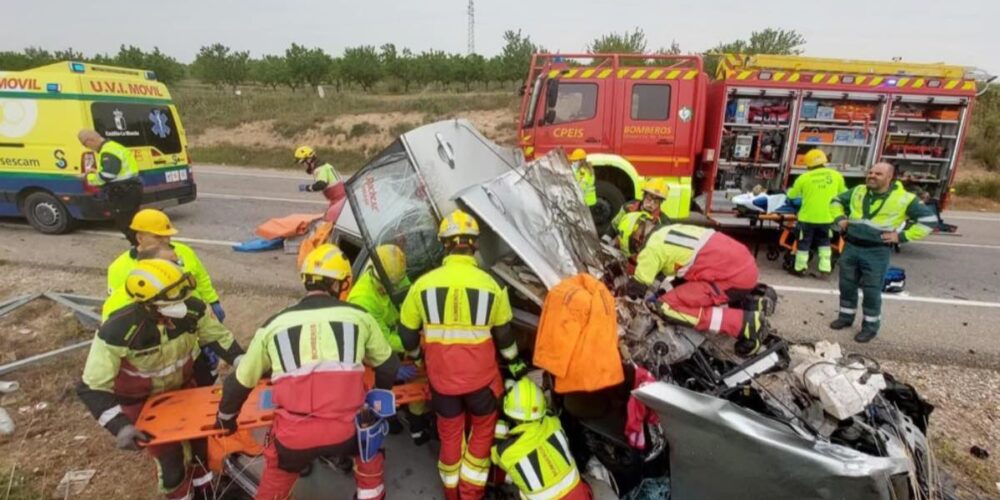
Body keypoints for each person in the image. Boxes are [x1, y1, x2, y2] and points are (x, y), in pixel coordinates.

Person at [216, 243, 399, 500]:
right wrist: (378, 402)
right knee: (371, 455)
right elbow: (389, 365)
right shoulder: (359, 316)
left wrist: (225, 420)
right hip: (347, 432)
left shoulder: (273, 325)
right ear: (342, 284)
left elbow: (238, 383)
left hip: (293, 439)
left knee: (275, 478)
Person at [77, 259, 244, 500]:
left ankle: (206, 492)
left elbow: (218, 337)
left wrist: (242, 361)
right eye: (174, 296)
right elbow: (92, 387)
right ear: (148, 303)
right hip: (142, 403)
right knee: (170, 459)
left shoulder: (193, 311)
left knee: (200, 447)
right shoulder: (119, 331)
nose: (183, 302)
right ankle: (180, 495)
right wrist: (120, 426)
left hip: (184, 392)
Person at [398, 209, 526, 500]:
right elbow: (505, 337)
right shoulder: (491, 286)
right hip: (481, 383)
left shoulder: (423, 285)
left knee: (450, 435)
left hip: (442, 383)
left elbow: (406, 334)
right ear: (475, 245)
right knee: (482, 432)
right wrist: (516, 363)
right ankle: (471, 493)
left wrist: (418, 356)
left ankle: (452, 492)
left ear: (444, 245)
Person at [103, 209, 224, 386]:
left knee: (204, 364)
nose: (166, 241)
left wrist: (213, 301)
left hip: (192, 319)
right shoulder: (119, 268)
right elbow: (118, 307)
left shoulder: (183, 252)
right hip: (158, 333)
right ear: (140, 238)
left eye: (167, 236)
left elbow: (201, 278)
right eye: (159, 237)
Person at [623, 219, 772, 356]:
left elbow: (636, 289)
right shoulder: (666, 231)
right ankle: (751, 303)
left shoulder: (651, 249)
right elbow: (682, 279)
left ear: (636, 241)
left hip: (733, 279)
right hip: (744, 266)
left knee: (665, 306)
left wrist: (623, 297)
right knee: (671, 296)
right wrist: (661, 292)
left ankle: (746, 324)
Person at [829, 162, 936, 342]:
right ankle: (845, 317)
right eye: (870, 172)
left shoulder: (903, 198)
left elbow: (929, 221)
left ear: (889, 177)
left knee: (872, 290)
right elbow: (836, 201)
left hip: (876, 251)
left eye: (878, 174)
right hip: (852, 246)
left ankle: (870, 327)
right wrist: (840, 218)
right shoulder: (859, 191)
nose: (872, 176)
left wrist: (901, 237)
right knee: (847, 285)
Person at [347, 244, 431, 444]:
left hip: (395, 335)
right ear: (376, 276)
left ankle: (415, 423)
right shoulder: (363, 299)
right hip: (370, 346)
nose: (393, 287)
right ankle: (387, 416)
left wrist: (417, 333)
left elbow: (409, 305)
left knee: (416, 376)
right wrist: (415, 342)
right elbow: (381, 340)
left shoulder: (398, 277)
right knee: (384, 379)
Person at [492, 379, 591, 500]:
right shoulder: (555, 424)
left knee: (504, 488)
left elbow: (494, 453)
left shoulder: (506, 452)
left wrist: (500, 418)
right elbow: (547, 413)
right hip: (581, 496)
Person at [786, 149, 847, 276]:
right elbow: (844, 195)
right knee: (824, 242)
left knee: (804, 244)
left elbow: (791, 196)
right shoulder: (836, 176)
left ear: (808, 164)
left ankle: (800, 268)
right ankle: (825, 268)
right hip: (827, 218)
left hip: (807, 218)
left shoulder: (804, 178)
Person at [78, 129, 143, 245]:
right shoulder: (114, 146)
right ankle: (144, 247)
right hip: (131, 188)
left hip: (123, 192)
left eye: (85, 144)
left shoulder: (107, 151)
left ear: (90, 140)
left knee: (126, 224)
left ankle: (141, 249)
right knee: (134, 221)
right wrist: (97, 172)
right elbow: (117, 170)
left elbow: (108, 175)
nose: (88, 148)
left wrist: (88, 178)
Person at [293, 145, 346, 222]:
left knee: (330, 221)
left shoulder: (320, 169)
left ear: (309, 160)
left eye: (302, 163)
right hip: (339, 198)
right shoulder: (325, 166)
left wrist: (307, 188)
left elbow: (321, 184)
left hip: (338, 199)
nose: (303, 166)